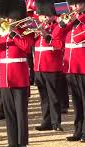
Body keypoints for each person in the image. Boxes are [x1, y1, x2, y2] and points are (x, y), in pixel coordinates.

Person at [0, 0, 34, 147]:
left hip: (19, 75)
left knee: (21, 113)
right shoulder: (1, 31)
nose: (8, 20)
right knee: (9, 112)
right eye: (7, 18)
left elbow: (26, 47)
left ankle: (22, 144)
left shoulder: (25, 30)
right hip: (4, 77)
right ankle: (12, 143)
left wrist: (14, 33)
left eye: (11, 18)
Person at [58, 0, 85, 142]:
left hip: (83, 63)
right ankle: (78, 130)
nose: (74, 7)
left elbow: (84, 36)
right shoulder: (69, 18)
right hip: (70, 64)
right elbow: (57, 36)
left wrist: (76, 22)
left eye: (77, 4)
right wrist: (63, 24)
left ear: (84, 4)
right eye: (73, 4)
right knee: (76, 100)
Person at [33, 0, 64, 131]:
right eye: (42, 15)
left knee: (53, 95)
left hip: (51, 66)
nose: (44, 18)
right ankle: (46, 121)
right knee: (44, 96)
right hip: (39, 66)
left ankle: (56, 122)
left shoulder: (57, 27)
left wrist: (45, 34)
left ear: (52, 15)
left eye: (46, 15)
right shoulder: (37, 26)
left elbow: (58, 45)